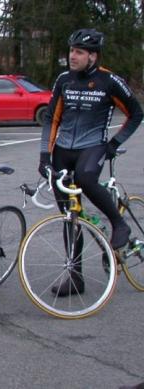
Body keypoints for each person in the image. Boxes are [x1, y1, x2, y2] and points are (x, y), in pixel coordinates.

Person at [38, 28, 143, 296]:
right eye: (71, 50)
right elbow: (51, 117)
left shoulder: (110, 82)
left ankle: (119, 224)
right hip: (63, 149)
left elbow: (136, 113)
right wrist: (44, 155)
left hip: (92, 146)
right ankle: (76, 277)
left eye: (79, 52)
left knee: (86, 178)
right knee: (69, 217)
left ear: (93, 56)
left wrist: (114, 143)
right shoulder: (64, 80)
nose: (72, 56)